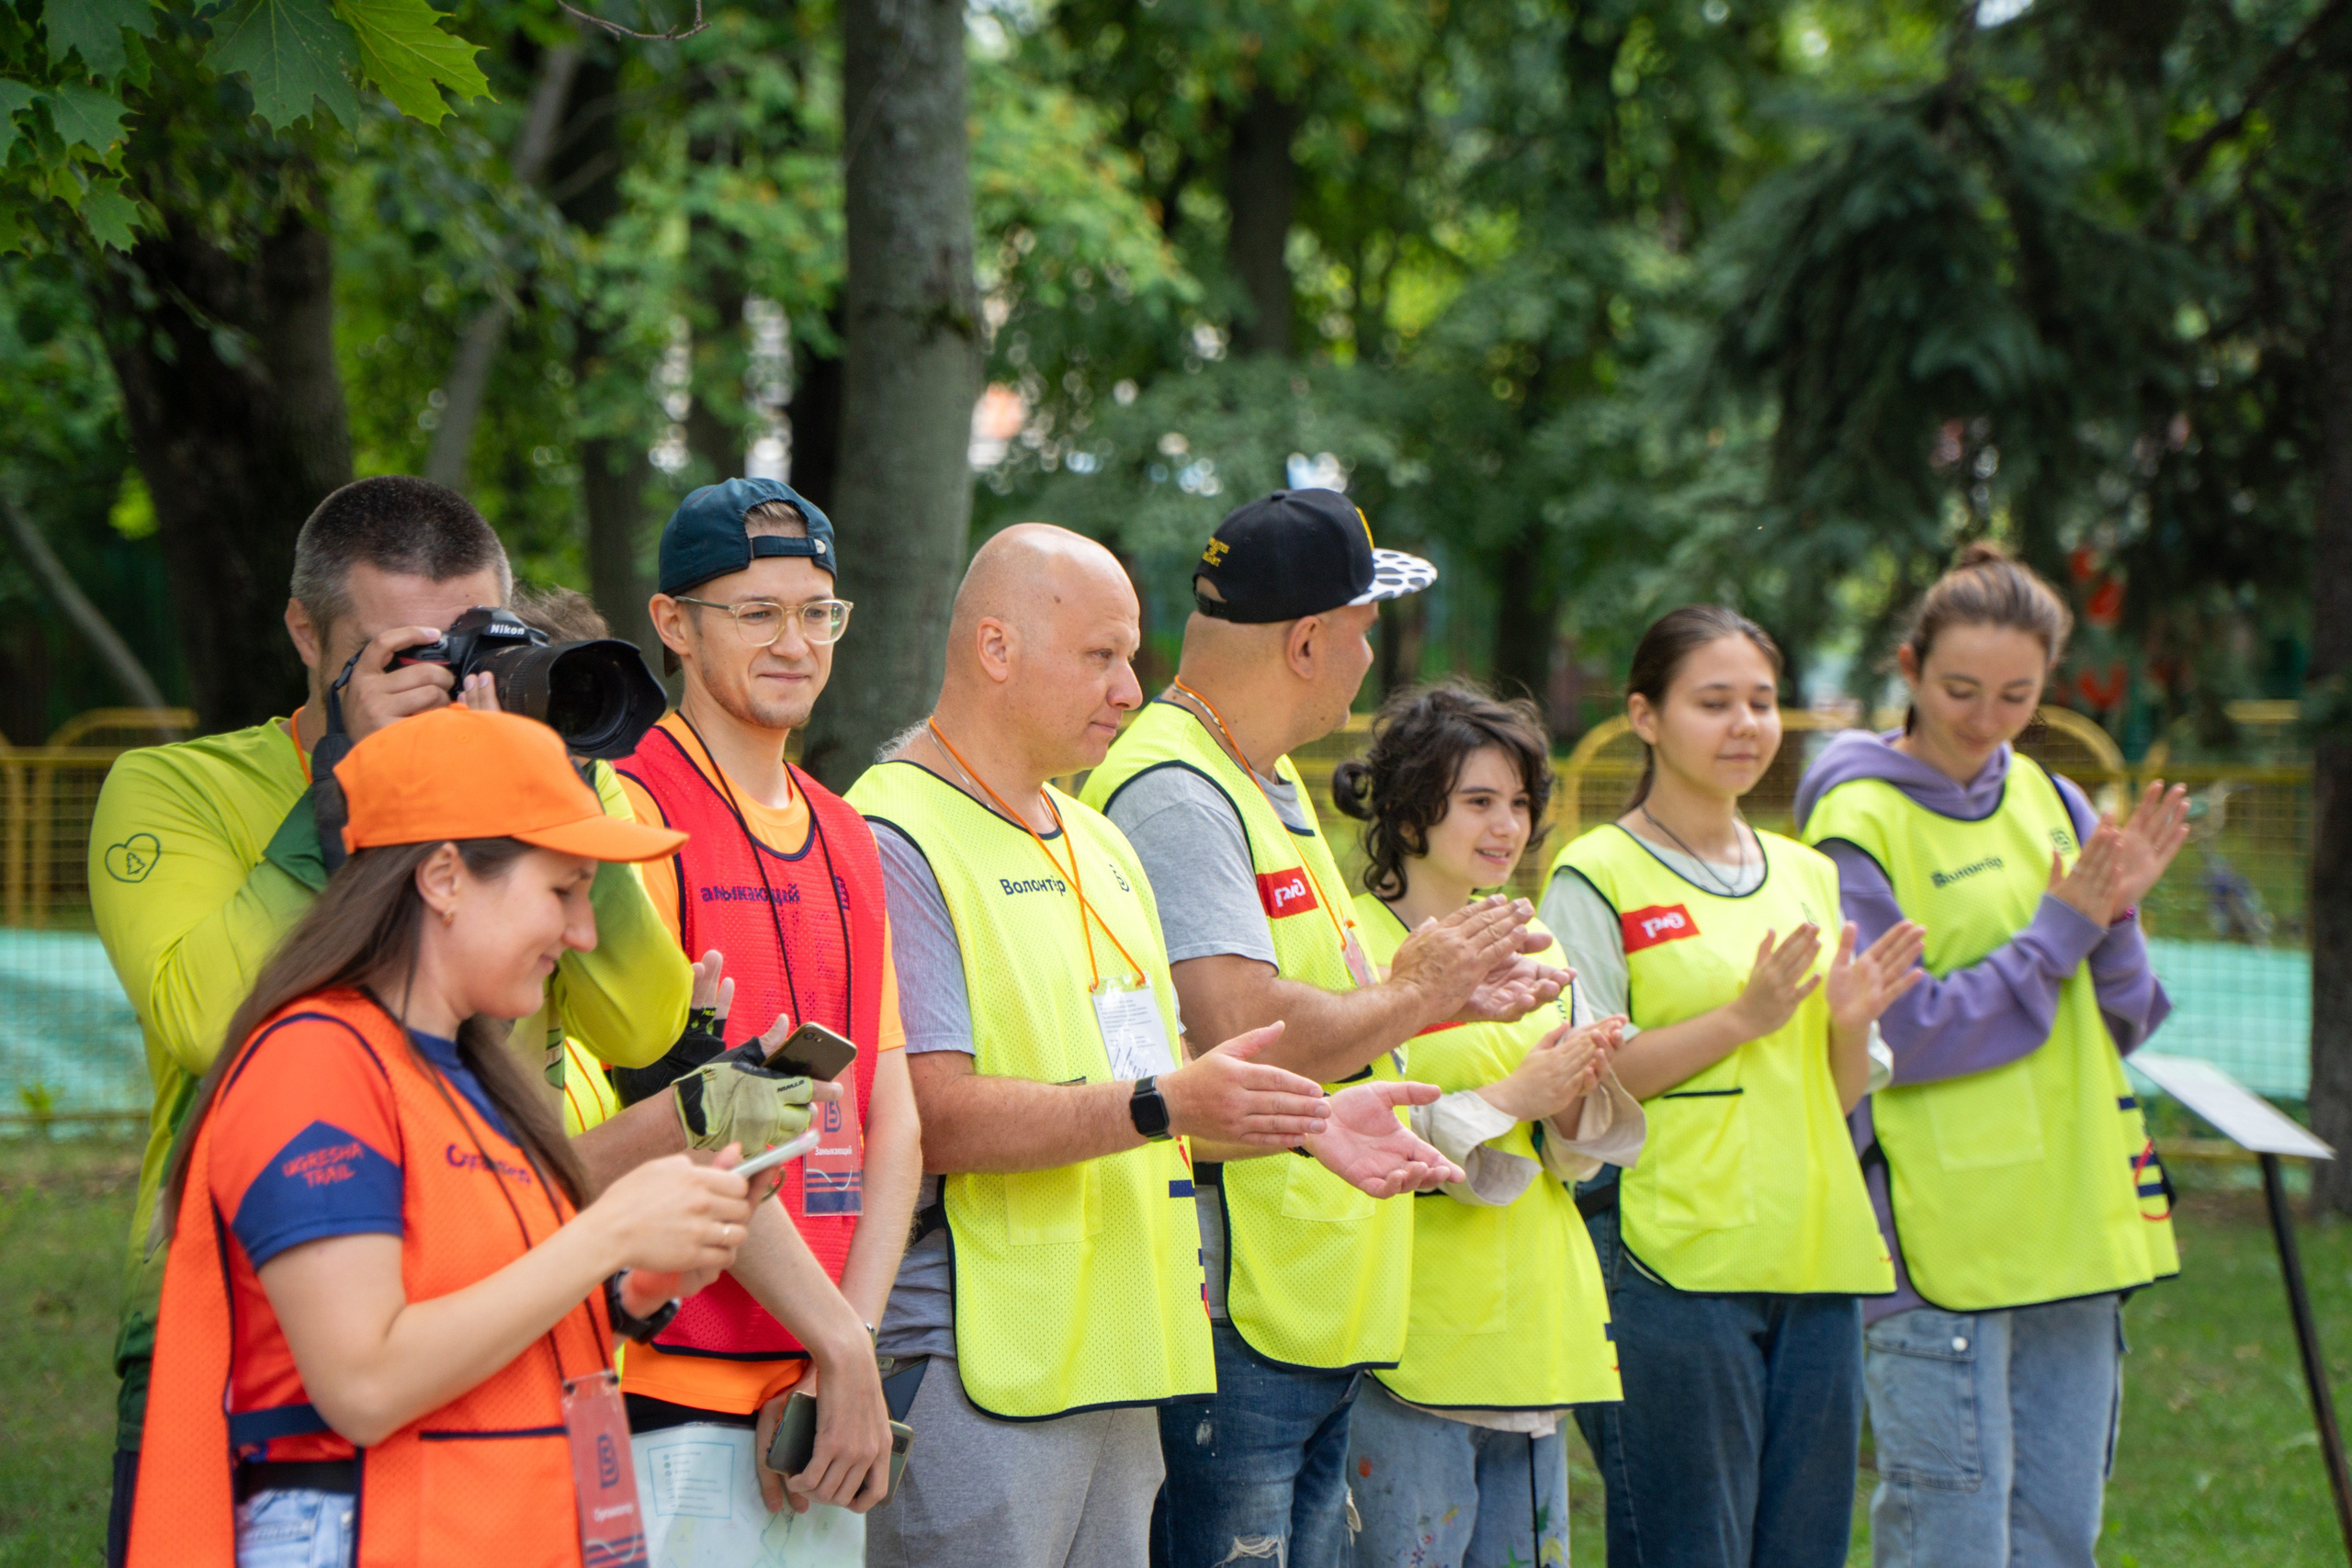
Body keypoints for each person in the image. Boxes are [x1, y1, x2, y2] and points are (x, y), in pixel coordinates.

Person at [84, 478, 742, 1566]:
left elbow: (637, 1022)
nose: (451, 681)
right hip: (257, 1343)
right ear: (308, 633)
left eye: (477, 642)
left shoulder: (467, 1044)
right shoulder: (176, 791)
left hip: (483, 1342)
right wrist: (355, 785)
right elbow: (215, 1022)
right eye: (408, 653)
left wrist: (544, 774)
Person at [847, 522, 1464, 1568]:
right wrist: (1162, 1106)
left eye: (1128, 657)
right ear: (995, 650)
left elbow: (1174, 1091)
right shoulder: (896, 829)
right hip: (977, 1366)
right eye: (1101, 656)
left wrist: (1309, 1125)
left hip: (1125, 1359)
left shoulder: (1099, 841)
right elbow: (930, 1116)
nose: (1131, 690)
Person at [1082, 489, 1571, 1568]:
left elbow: (1319, 987)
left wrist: (1435, 993)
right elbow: (1236, 1028)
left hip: (1303, 1297)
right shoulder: (1177, 790)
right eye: (1361, 628)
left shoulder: (1258, 777)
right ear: (1307, 641)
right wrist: (1416, 996)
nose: (1369, 655)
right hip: (1238, 1308)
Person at [1792, 545, 2187, 1568]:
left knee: (2060, 1536)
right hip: (1938, 1239)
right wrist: (2060, 931)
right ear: (1910, 666)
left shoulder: (2055, 799)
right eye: (1961, 689)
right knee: (1951, 1542)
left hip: (2073, 1219)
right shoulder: (1853, 817)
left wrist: (2120, 912)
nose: (1985, 717)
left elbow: (2123, 1017)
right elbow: (1902, 1032)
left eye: (2017, 694)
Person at [1540, 605, 1925, 1568]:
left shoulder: (1806, 873)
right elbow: (1575, 1080)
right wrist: (1738, 1021)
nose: (1745, 724)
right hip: (1669, 1264)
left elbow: (1836, 1096)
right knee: (1686, 1548)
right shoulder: (1596, 873)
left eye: (1760, 702)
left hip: (1815, 1259)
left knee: (1802, 1550)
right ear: (1644, 715)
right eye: (1713, 702)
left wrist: (1847, 1019)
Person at [606, 478, 914, 1562]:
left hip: (821, 1394)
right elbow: (680, 1119)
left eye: (816, 613)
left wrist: (851, 1344)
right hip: (674, 1382)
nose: (795, 642)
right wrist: (836, 1342)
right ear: (673, 625)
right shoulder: (631, 813)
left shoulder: (846, 828)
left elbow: (891, 1109)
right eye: (756, 612)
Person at [1330, 683, 1644, 1568]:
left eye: (1519, 803)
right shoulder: (1350, 944)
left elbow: (1572, 1164)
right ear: (1409, 809)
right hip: (1407, 1343)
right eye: (1478, 800)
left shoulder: (1535, 935)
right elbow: (1349, 1133)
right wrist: (1514, 1094)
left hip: (1536, 1335)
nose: (1507, 825)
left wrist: (1578, 1089)